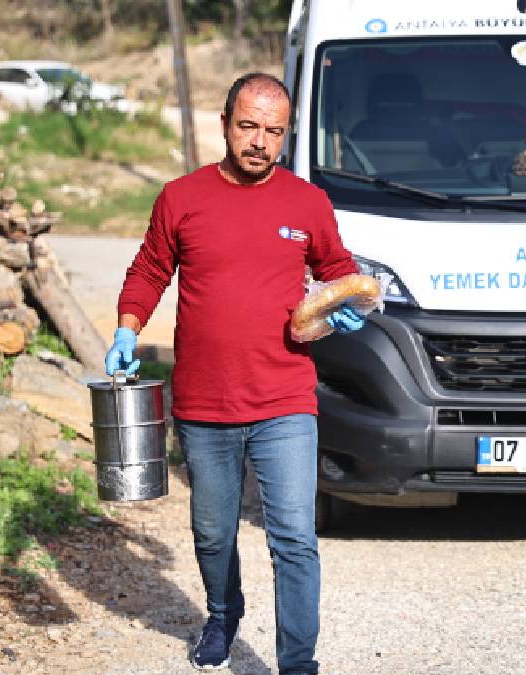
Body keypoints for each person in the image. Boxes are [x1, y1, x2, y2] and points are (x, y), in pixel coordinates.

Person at [105, 72, 364, 675]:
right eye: (248, 126)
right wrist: (126, 328)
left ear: (286, 136)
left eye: (274, 131)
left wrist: (349, 308)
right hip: (203, 403)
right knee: (214, 534)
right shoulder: (181, 197)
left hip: (286, 399)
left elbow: (339, 271)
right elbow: (148, 270)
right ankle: (223, 614)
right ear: (224, 125)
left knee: (295, 538)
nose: (259, 142)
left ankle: (298, 662)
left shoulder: (307, 203)